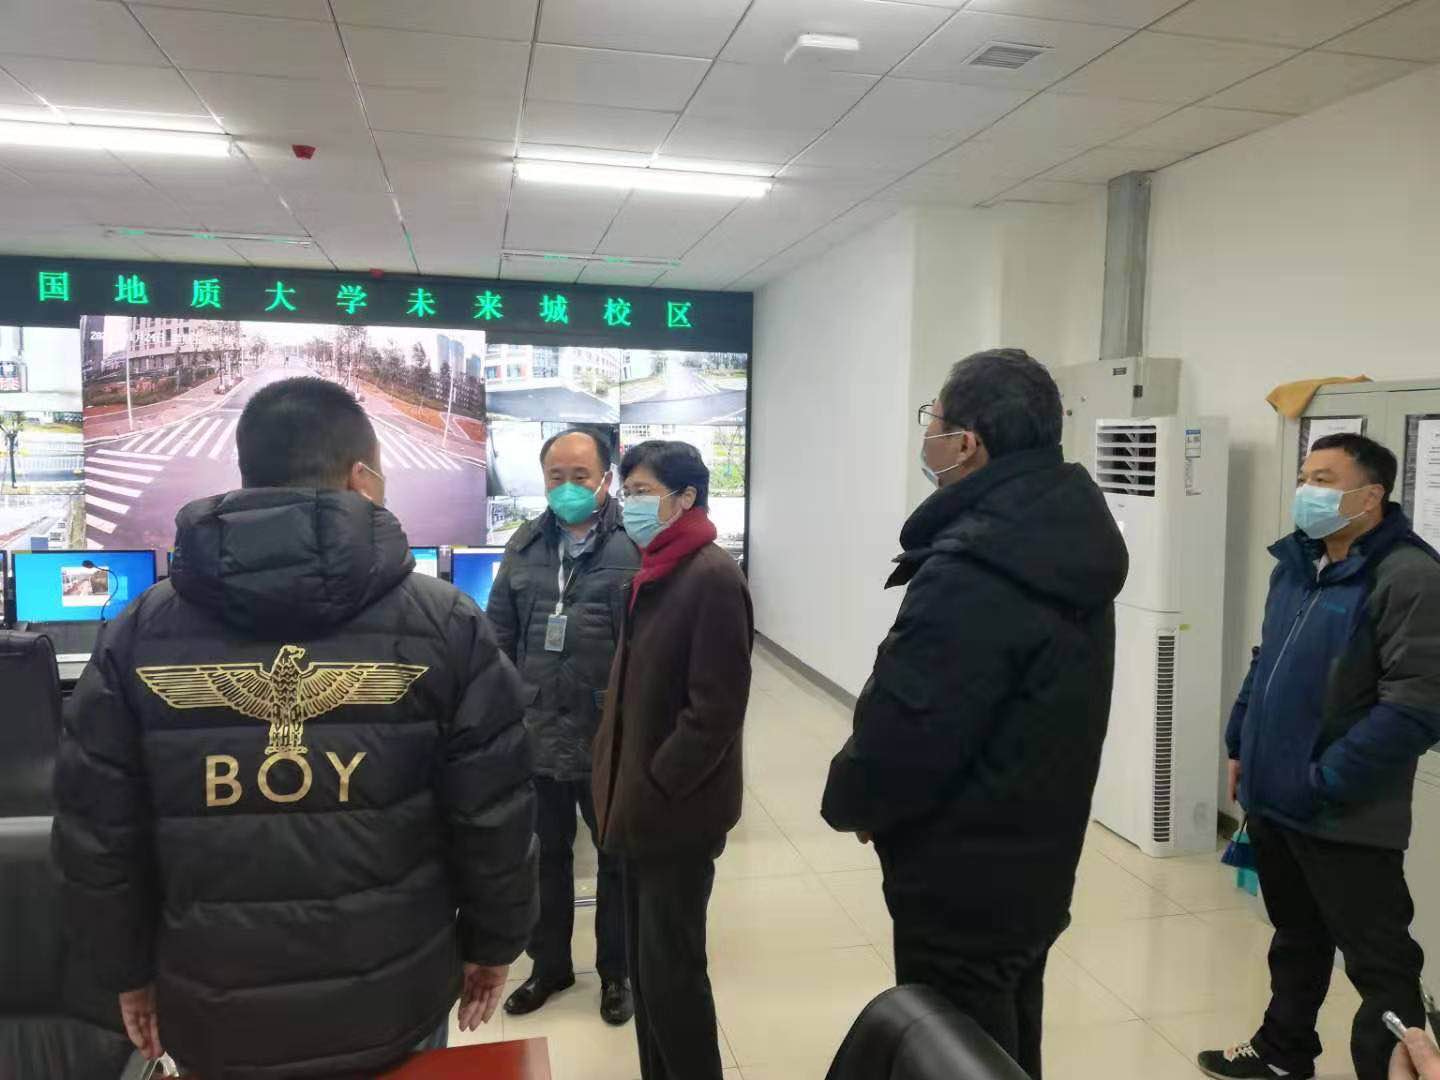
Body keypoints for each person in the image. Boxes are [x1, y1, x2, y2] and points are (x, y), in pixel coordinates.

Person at [52, 377, 538, 1079]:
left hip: (214, 1002)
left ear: (247, 474)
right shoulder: (447, 623)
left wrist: (125, 970)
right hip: (392, 993)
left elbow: (99, 832)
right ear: (362, 479)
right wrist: (494, 944)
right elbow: (493, 814)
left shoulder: (139, 631)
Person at [820, 348, 1128, 1080]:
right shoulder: (1062, 539)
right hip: (1032, 863)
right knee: (1004, 1043)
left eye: (933, 420)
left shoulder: (976, 566)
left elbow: (913, 726)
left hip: (960, 883)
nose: (927, 434)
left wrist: (857, 800)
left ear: (967, 444)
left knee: (955, 1052)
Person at [1200, 433, 1440, 1080]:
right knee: (1296, 938)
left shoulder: (1408, 576)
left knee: (1380, 963)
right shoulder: (1296, 565)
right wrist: (1240, 741)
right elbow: (1267, 660)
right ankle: (1283, 1052)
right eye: (1304, 477)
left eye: (1324, 480)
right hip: (1277, 797)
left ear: (1370, 495)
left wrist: (1326, 780)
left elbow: (1417, 705)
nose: (1306, 490)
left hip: (1345, 812)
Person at [592, 440, 753, 1080]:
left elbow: (716, 710)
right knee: (650, 971)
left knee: (674, 974)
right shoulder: (656, 567)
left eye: (642, 493)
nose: (628, 504)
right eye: (626, 492)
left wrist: (657, 783)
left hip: (674, 813)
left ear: (685, 498)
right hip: (641, 807)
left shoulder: (710, 576)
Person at [489, 427, 639, 1025]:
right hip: (537, 734)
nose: (568, 487)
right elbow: (499, 634)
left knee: (616, 858)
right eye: (557, 476)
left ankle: (616, 972)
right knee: (543, 858)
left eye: (581, 476)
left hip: (609, 737)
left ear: (606, 478)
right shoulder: (524, 545)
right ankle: (548, 966)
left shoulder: (634, 547)